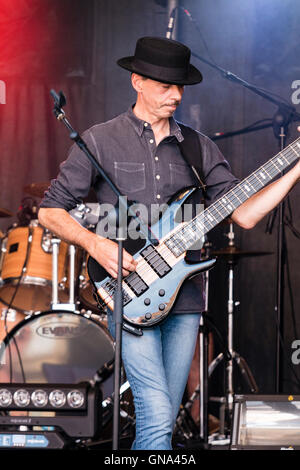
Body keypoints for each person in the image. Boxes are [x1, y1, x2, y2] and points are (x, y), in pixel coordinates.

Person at [38, 36, 300, 450]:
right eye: (165, 85)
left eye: (180, 86)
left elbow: (246, 214)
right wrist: (96, 244)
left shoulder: (198, 146)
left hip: (185, 301)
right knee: (158, 416)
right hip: (128, 295)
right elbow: (49, 211)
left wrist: (296, 167)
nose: (175, 95)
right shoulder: (100, 140)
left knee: (162, 418)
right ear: (136, 81)